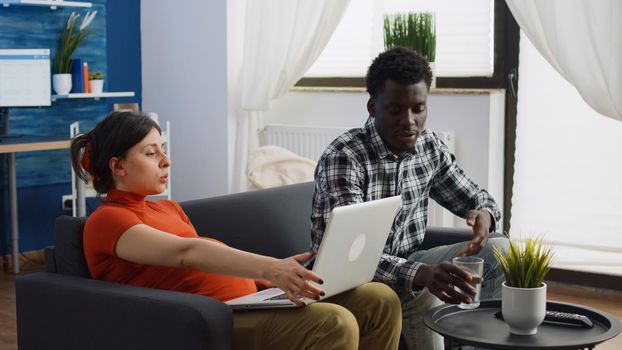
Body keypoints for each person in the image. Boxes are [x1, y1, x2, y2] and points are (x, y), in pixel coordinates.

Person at [70, 111, 402, 350]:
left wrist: (278, 279)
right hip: (204, 321)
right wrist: (272, 267)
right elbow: (186, 254)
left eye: (163, 149)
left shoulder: (168, 208)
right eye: (150, 152)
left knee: (379, 298)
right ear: (118, 166)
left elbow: (202, 265)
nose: (166, 160)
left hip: (250, 303)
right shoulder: (107, 220)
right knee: (334, 323)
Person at [311, 47, 509, 350]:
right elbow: (348, 257)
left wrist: (484, 213)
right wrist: (421, 274)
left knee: (500, 250)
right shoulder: (345, 156)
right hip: (353, 281)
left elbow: (474, 196)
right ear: (373, 107)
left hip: (409, 264)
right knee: (421, 289)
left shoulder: (429, 146)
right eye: (396, 110)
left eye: (418, 109)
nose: (409, 121)